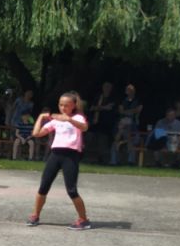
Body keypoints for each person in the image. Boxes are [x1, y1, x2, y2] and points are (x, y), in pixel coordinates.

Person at [26, 92, 91, 230]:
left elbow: (84, 127)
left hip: (71, 155)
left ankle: (84, 219)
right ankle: (35, 215)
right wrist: (41, 117)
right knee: (43, 187)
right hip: (55, 154)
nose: (63, 108)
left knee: (71, 190)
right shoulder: (56, 121)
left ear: (73, 105)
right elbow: (36, 134)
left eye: (66, 105)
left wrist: (69, 119)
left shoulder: (78, 117)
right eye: (61, 105)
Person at [111, 83, 142, 165]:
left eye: (131, 90)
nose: (129, 91)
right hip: (122, 132)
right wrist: (131, 111)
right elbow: (121, 111)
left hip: (131, 130)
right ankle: (114, 162)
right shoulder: (122, 100)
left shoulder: (137, 100)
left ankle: (130, 162)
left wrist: (126, 112)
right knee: (115, 144)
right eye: (128, 90)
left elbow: (138, 110)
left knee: (131, 143)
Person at [90, 82, 116, 164]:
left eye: (108, 87)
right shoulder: (98, 97)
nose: (106, 88)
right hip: (96, 122)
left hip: (106, 123)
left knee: (103, 141)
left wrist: (99, 108)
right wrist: (103, 107)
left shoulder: (112, 98)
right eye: (105, 87)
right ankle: (95, 158)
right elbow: (92, 108)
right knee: (93, 139)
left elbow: (110, 108)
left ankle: (103, 159)